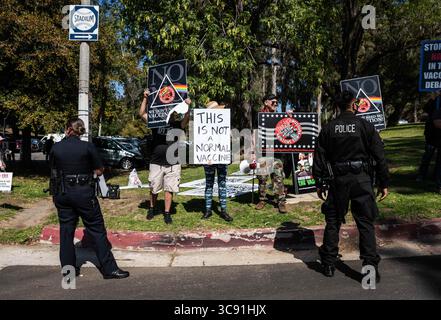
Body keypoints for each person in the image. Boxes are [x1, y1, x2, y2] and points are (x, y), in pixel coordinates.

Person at [312, 90, 389, 280]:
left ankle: (329, 264)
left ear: (338, 106)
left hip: (338, 181)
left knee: (333, 222)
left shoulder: (329, 128)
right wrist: (383, 182)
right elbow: (380, 156)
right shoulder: (366, 126)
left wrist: (319, 182)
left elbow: (319, 157)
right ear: (354, 104)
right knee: (365, 223)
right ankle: (370, 269)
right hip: (361, 180)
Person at [50, 118, 129, 279]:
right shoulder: (87, 147)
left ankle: (68, 271)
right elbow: (99, 170)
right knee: (97, 230)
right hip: (84, 193)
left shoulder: (56, 148)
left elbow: (52, 169)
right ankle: (109, 269)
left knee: (66, 232)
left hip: (62, 193)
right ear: (80, 131)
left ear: (67, 129)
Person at [139, 89, 191, 224]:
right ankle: (152, 208)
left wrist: (187, 106)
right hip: (156, 162)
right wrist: (145, 98)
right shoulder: (156, 123)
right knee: (154, 188)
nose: (171, 113)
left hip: (173, 162)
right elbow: (142, 114)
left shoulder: (177, 124)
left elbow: (186, 118)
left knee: (169, 189)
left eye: (173, 111)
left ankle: (167, 213)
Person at [252, 94, 291, 213]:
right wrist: (253, 151)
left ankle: (281, 201)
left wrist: (289, 117)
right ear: (266, 103)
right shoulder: (259, 116)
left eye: (276, 102)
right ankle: (262, 199)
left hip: (277, 153)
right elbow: (254, 133)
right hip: (262, 152)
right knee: (262, 177)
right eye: (273, 102)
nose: (275, 104)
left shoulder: (280, 117)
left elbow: (288, 129)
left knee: (278, 177)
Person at [202, 101, 233, 222]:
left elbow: (230, 139)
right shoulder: (203, 127)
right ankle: (208, 210)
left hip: (222, 158)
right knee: (209, 184)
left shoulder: (224, 124)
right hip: (208, 159)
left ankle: (223, 210)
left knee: (222, 183)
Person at [417, 91, 441, 193]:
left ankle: (436, 177)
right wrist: (432, 98)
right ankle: (422, 175)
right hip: (432, 134)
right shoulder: (434, 100)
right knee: (428, 155)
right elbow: (426, 109)